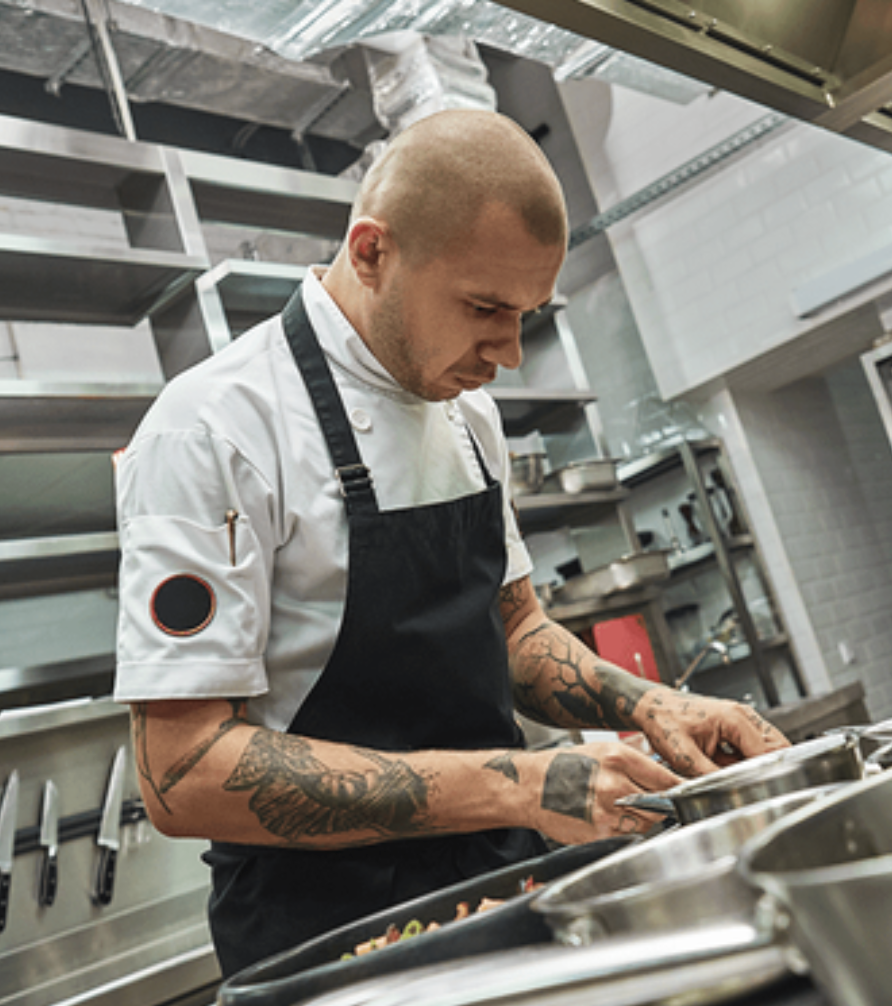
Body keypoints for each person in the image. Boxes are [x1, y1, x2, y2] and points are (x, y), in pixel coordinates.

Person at [113, 109, 789, 976]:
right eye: (484, 309)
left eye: (527, 316)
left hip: (501, 884)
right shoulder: (211, 431)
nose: (508, 354)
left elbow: (516, 632)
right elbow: (182, 772)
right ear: (371, 252)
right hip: (327, 937)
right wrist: (518, 784)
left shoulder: (468, 415)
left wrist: (648, 706)